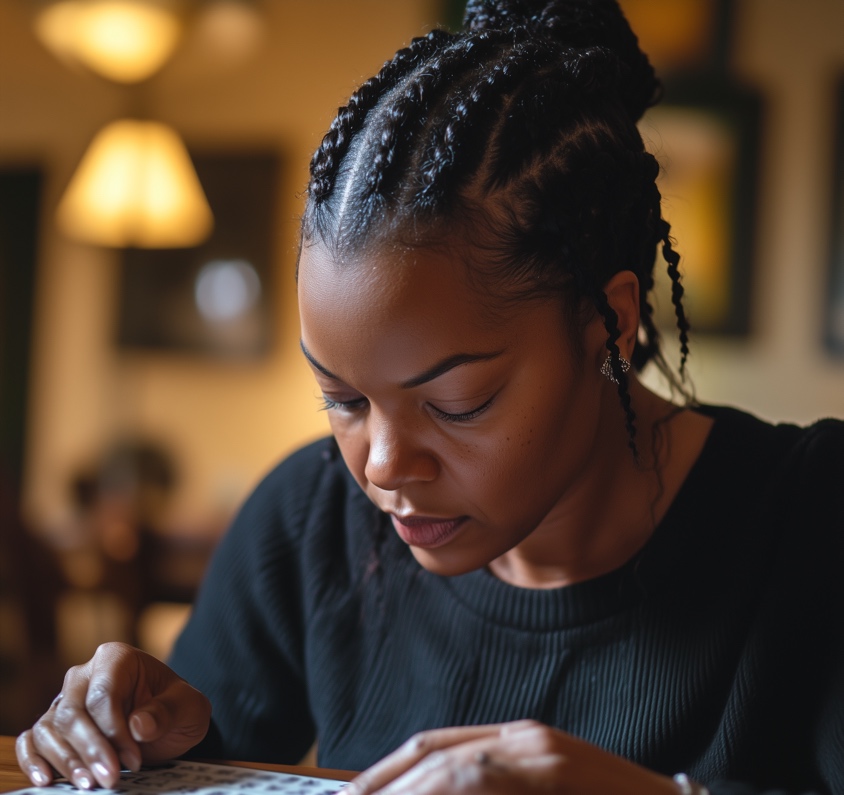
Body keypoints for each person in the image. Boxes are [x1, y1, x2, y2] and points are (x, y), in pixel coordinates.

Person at [16, 1, 844, 793]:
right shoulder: (310, 523)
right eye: (339, 397)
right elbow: (201, 753)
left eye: (457, 403)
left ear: (610, 325)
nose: (382, 466)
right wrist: (162, 745)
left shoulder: (810, 520)